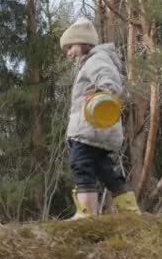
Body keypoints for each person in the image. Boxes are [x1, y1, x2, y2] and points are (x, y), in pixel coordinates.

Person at [60, 18, 141, 220]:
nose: (68, 52)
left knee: (81, 164)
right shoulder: (95, 61)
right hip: (98, 130)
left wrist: (100, 92)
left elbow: (111, 83)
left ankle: (87, 213)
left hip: (90, 129)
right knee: (104, 170)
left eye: (70, 47)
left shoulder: (96, 60)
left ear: (83, 43)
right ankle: (130, 212)